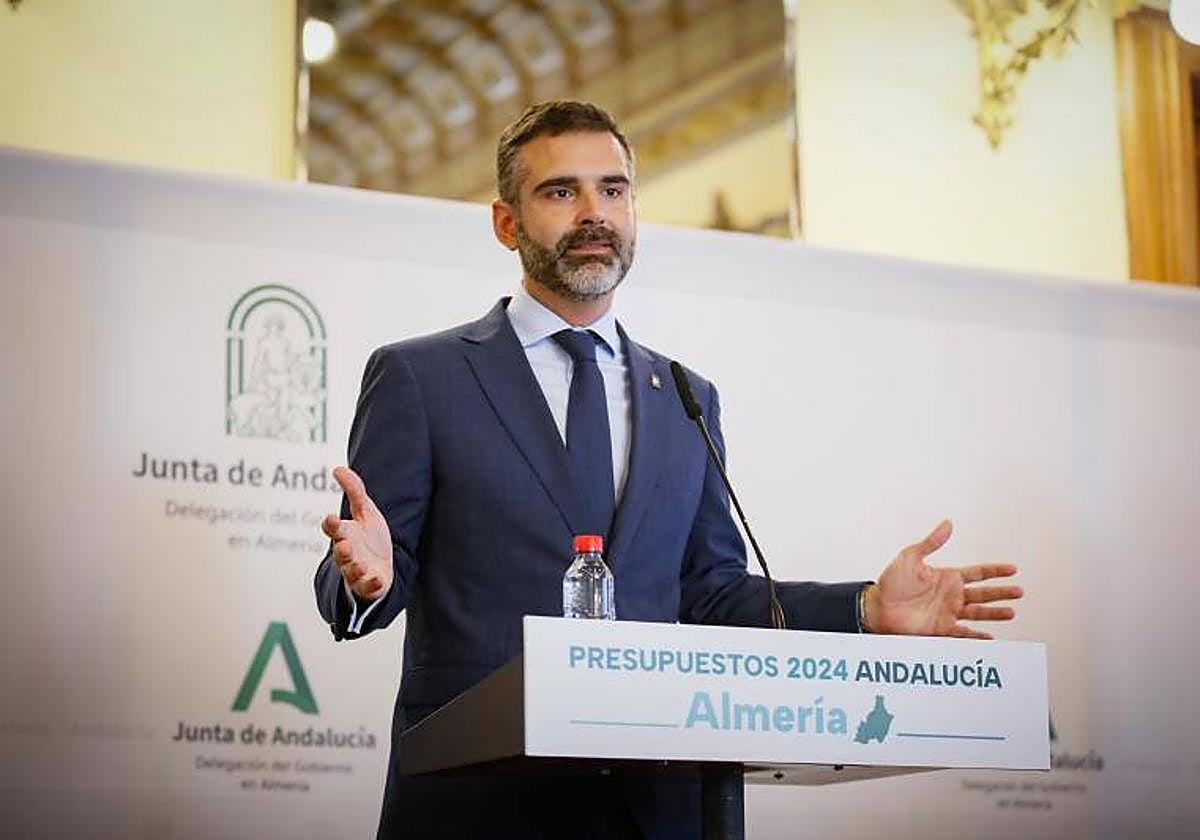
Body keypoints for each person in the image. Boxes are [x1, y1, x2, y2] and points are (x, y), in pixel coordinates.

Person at [315, 100, 1022, 839]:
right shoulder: (422, 378)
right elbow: (356, 572)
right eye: (562, 192)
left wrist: (867, 609)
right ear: (505, 223)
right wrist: (371, 578)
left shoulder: (685, 395)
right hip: (480, 801)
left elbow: (711, 595)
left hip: (660, 804)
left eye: (613, 190)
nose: (594, 213)